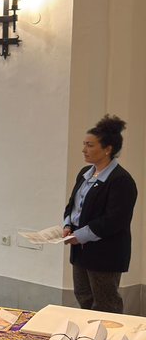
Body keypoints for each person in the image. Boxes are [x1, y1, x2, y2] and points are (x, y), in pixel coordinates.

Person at [63, 115, 138, 313]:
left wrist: (80, 236)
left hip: (106, 253)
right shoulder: (85, 173)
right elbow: (73, 204)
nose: (83, 150)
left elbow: (115, 220)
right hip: (80, 251)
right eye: (84, 144)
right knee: (84, 297)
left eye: (89, 145)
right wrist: (67, 225)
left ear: (107, 149)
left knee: (106, 303)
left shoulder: (121, 180)